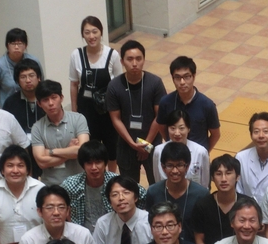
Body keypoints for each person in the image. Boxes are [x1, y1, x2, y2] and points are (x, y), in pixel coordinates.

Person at [106, 40, 166, 184]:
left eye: (138, 59)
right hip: (126, 145)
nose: (134, 63)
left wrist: (146, 144)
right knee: (129, 187)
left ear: (144, 60)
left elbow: (160, 116)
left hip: (152, 144)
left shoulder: (155, 83)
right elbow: (115, 119)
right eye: (130, 59)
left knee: (157, 185)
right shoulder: (114, 86)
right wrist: (132, 144)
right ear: (122, 61)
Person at [69, 16, 123, 173]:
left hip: (108, 111)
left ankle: (111, 177)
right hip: (86, 110)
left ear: (101, 32)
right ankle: (94, 177)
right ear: (82, 35)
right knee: (90, 149)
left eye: (95, 31)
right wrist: (74, 112)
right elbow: (74, 84)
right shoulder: (76, 55)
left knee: (111, 149)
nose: (91, 36)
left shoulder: (112, 54)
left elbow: (119, 84)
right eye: (87, 32)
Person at [61, 140, 146, 233]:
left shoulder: (117, 182)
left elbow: (143, 195)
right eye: (89, 163)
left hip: (113, 234)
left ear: (105, 163)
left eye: (98, 162)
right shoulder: (71, 184)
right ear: (83, 165)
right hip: (81, 235)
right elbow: (56, 201)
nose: (94, 167)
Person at [146, 141, 209, 242]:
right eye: (170, 165)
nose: (175, 171)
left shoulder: (201, 194)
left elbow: (204, 231)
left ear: (187, 166)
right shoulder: (153, 192)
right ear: (163, 167)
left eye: (179, 165)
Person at [31, 80, 91, 186]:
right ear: (39, 104)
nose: (51, 103)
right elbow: (42, 162)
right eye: (45, 100)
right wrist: (70, 151)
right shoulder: (37, 128)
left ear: (61, 98)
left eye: (54, 97)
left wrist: (51, 152)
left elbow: (82, 151)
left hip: (79, 181)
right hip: (51, 184)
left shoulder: (78, 119)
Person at [155, 56, 220, 151]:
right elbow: (161, 126)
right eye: (177, 77)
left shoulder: (207, 105)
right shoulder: (165, 102)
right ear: (172, 78)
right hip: (174, 154)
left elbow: (215, 134)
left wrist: (202, 152)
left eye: (186, 77)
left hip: (197, 156)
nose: (182, 82)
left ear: (193, 76)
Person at [2, 58, 46, 179]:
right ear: (17, 81)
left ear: (39, 77)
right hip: (20, 152)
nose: (28, 80)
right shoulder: (10, 102)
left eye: (31, 75)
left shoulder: (47, 99)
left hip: (46, 149)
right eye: (23, 77)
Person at [192, 154, 246, 244]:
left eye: (228, 173)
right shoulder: (202, 205)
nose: (224, 179)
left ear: (238, 177)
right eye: (218, 174)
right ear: (212, 178)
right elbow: (199, 240)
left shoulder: (247, 205)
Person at [152, 110, 210, 186]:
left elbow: (205, 183)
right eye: (173, 128)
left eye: (181, 128)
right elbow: (157, 180)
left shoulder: (200, 152)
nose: (177, 133)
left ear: (188, 129)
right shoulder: (159, 151)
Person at [236, 112, 268, 203]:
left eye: (266, 131)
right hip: (246, 208)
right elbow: (238, 189)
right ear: (251, 135)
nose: (261, 136)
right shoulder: (241, 157)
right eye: (256, 132)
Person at [0, 27, 42, 106]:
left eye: (20, 43)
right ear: (7, 46)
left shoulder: (34, 61)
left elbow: (40, 81)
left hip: (32, 105)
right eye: (13, 43)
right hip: (8, 107)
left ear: (25, 45)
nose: (16, 47)